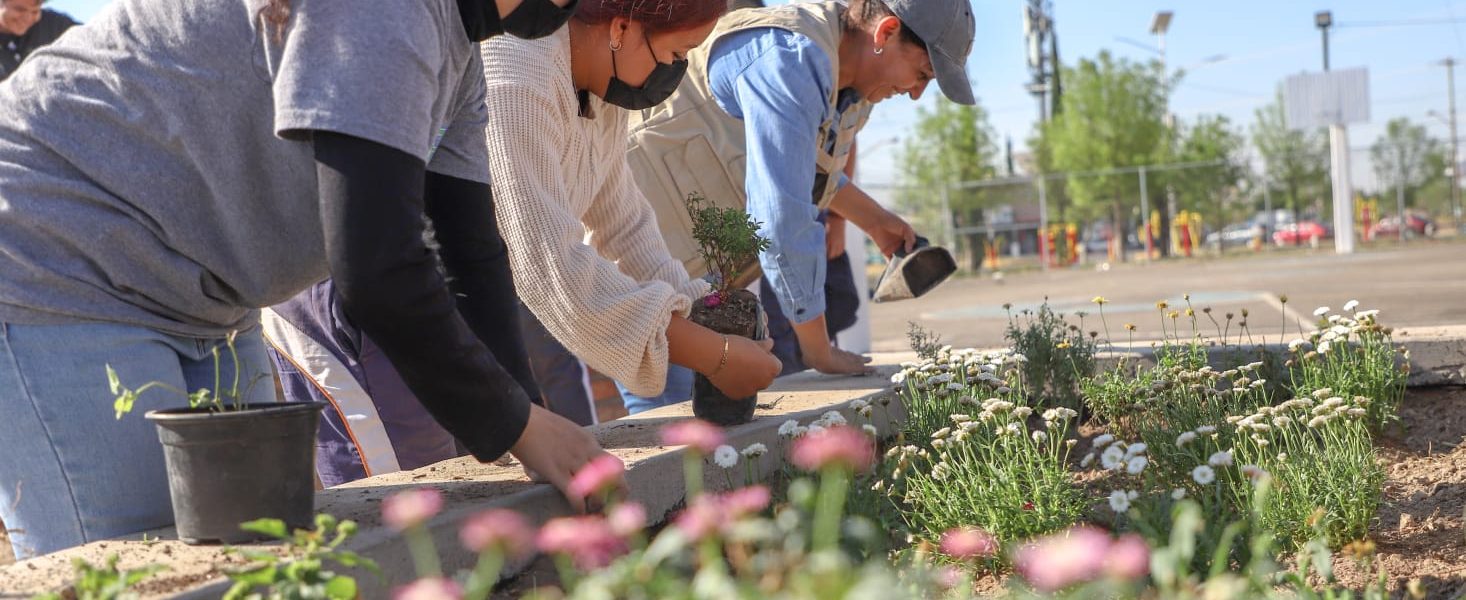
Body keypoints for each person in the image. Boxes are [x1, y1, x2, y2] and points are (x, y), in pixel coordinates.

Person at [0, 0, 612, 559]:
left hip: (208, 298)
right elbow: (379, 269)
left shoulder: (458, 48)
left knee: (256, 557)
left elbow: (469, 252)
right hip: (55, 256)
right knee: (133, 563)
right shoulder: (387, 12)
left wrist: (531, 421)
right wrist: (516, 425)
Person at [622, 0, 977, 410]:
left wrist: (875, 220)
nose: (916, 93)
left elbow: (801, 165)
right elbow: (780, 219)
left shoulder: (850, 80)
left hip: (688, 271)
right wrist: (819, 351)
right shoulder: (790, 58)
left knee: (708, 436)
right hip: (640, 264)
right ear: (885, 33)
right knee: (671, 434)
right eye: (921, 74)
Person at [482, 0, 783, 419]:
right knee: (427, 465)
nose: (675, 73)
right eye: (677, 55)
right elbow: (548, 263)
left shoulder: (599, 82)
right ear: (621, 27)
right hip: (415, 303)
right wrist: (716, 355)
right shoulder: (517, 74)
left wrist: (702, 308)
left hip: (486, 298)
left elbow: (624, 226)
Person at [0, 0, 75, 81]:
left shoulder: (53, 25)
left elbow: (87, 37)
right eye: (19, 9)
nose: (27, 18)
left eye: (34, 11)